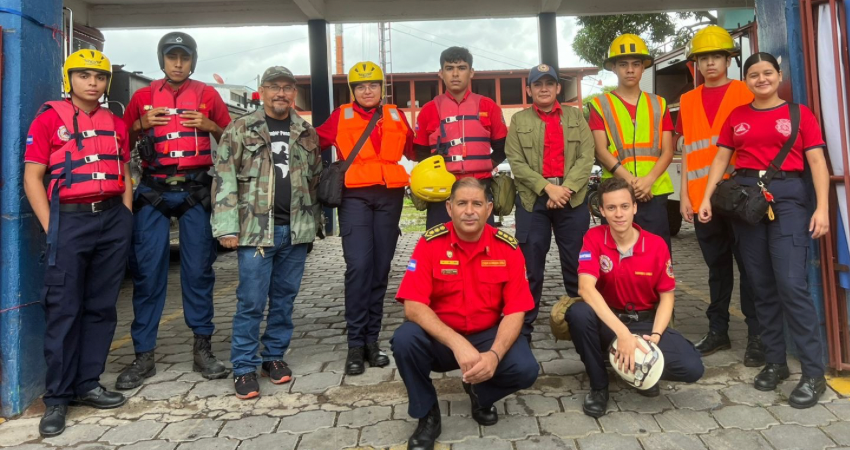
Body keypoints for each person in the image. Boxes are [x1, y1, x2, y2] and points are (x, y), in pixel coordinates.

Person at [698, 52, 831, 409]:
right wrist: (707, 197)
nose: (761, 79)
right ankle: (775, 362)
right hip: (747, 204)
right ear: (747, 81)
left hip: (789, 200)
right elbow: (721, 158)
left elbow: (817, 161)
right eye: (754, 75)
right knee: (760, 284)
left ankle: (813, 373)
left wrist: (822, 208)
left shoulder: (799, 114)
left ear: (778, 75)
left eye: (767, 73)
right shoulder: (737, 116)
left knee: (791, 284)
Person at [24, 50, 133, 437]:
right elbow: (33, 176)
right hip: (68, 220)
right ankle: (57, 399)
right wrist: (53, 227)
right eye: (84, 75)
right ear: (69, 78)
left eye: (100, 77)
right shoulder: (50, 117)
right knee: (64, 309)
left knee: (101, 307)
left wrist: (126, 215)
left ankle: (88, 384)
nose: (93, 82)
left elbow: (124, 171)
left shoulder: (116, 123)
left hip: (111, 219)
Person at [118, 32, 232, 389]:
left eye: (184, 57)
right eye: (172, 57)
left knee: (198, 272)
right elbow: (118, 140)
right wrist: (140, 125)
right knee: (148, 273)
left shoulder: (208, 95)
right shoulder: (142, 97)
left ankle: (203, 349)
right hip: (152, 190)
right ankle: (144, 356)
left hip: (195, 190)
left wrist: (212, 126)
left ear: (193, 60)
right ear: (162, 60)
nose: (178, 64)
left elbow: (235, 138)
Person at [391, 178, 539, 450]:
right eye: (462, 203)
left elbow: (516, 310)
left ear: (488, 209)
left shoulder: (508, 247)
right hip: (442, 339)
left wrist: (493, 356)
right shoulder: (430, 244)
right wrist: (457, 343)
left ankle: (480, 392)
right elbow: (412, 305)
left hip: (486, 336)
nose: (469, 210)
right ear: (449, 208)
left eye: (477, 204)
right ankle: (427, 414)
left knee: (526, 368)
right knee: (404, 339)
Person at [211, 66, 323, 399]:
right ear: (262, 91)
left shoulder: (306, 132)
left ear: (294, 93)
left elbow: (314, 180)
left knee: (284, 301)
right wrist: (226, 228)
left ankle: (273, 357)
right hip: (255, 232)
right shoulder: (241, 129)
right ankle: (243, 366)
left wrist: (312, 228)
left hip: (295, 232)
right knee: (251, 302)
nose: (281, 93)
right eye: (274, 87)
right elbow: (224, 179)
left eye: (287, 88)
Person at [567, 178, 704, 418]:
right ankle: (599, 385)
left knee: (692, 368)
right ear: (601, 210)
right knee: (578, 313)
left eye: (624, 206)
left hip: (645, 323)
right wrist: (622, 335)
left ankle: (636, 372)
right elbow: (586, 289)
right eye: (611, 208)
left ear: (635, 207)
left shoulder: (656, 245)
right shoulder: (594, 238)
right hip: (609, 323)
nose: (619, 214)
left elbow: (667, 297)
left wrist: (655, 339)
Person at [316, 61, 413, 375]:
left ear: (381, 88)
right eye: (360, 86)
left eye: (372, 85)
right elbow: (310, 143)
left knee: (380, 269)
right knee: (359, 267)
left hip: (390, 197)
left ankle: (372, 342)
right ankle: (355, 345)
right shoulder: (340, 116)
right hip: (355, 197)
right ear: (352, 90)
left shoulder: (396, 116)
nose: (367, 90)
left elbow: (418, 150)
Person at [677, 26, 763, 365]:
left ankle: (757, 336)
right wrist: (685, 196)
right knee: (717, 270)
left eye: (717, 56)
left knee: (751, 269)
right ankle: (718, 332)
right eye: (703, 58)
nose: (710, 63)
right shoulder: (687, 100)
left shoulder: (746, 91)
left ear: (729, 59)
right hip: (703, 201)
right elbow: (687, 153)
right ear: (695, 63)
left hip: (742, 199)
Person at [505, 63, 595, 337]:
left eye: (549, 83)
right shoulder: (519, 120)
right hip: (534, 202)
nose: (543, 88)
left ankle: (580, 324)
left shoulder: (576, 117)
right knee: (531, 268)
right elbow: (516, 161)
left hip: (572, 199)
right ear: (529, 89)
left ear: (558, 87)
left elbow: (586, 156)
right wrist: (547, 188)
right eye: (537, 84)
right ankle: (524, 330)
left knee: (576, 265)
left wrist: (564, 189)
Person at [589, 34, 676, 250]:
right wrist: (633, 183)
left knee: (657, 255)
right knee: (615, 256)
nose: (630, 69)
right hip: (616, 193)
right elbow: (600, 150)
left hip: (654, 191)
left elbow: (667, 151)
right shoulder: (600, 104)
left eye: (636, 64)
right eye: (623, 64)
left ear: (643, 68)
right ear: (613, 68)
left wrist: (647, 181)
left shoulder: (659, 103)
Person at [414, 46, 508, 228]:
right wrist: (437, 176)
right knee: (439, 248)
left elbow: (502, 148)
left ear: (471, 72)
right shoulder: (428, 110)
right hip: (441, 193)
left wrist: (485, 167)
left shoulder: (488, 107)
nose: (455, 74)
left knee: (481, 247)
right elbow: (421, 152)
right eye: (449, 68)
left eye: (461, 68)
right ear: (441, 73)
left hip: (480, 189)